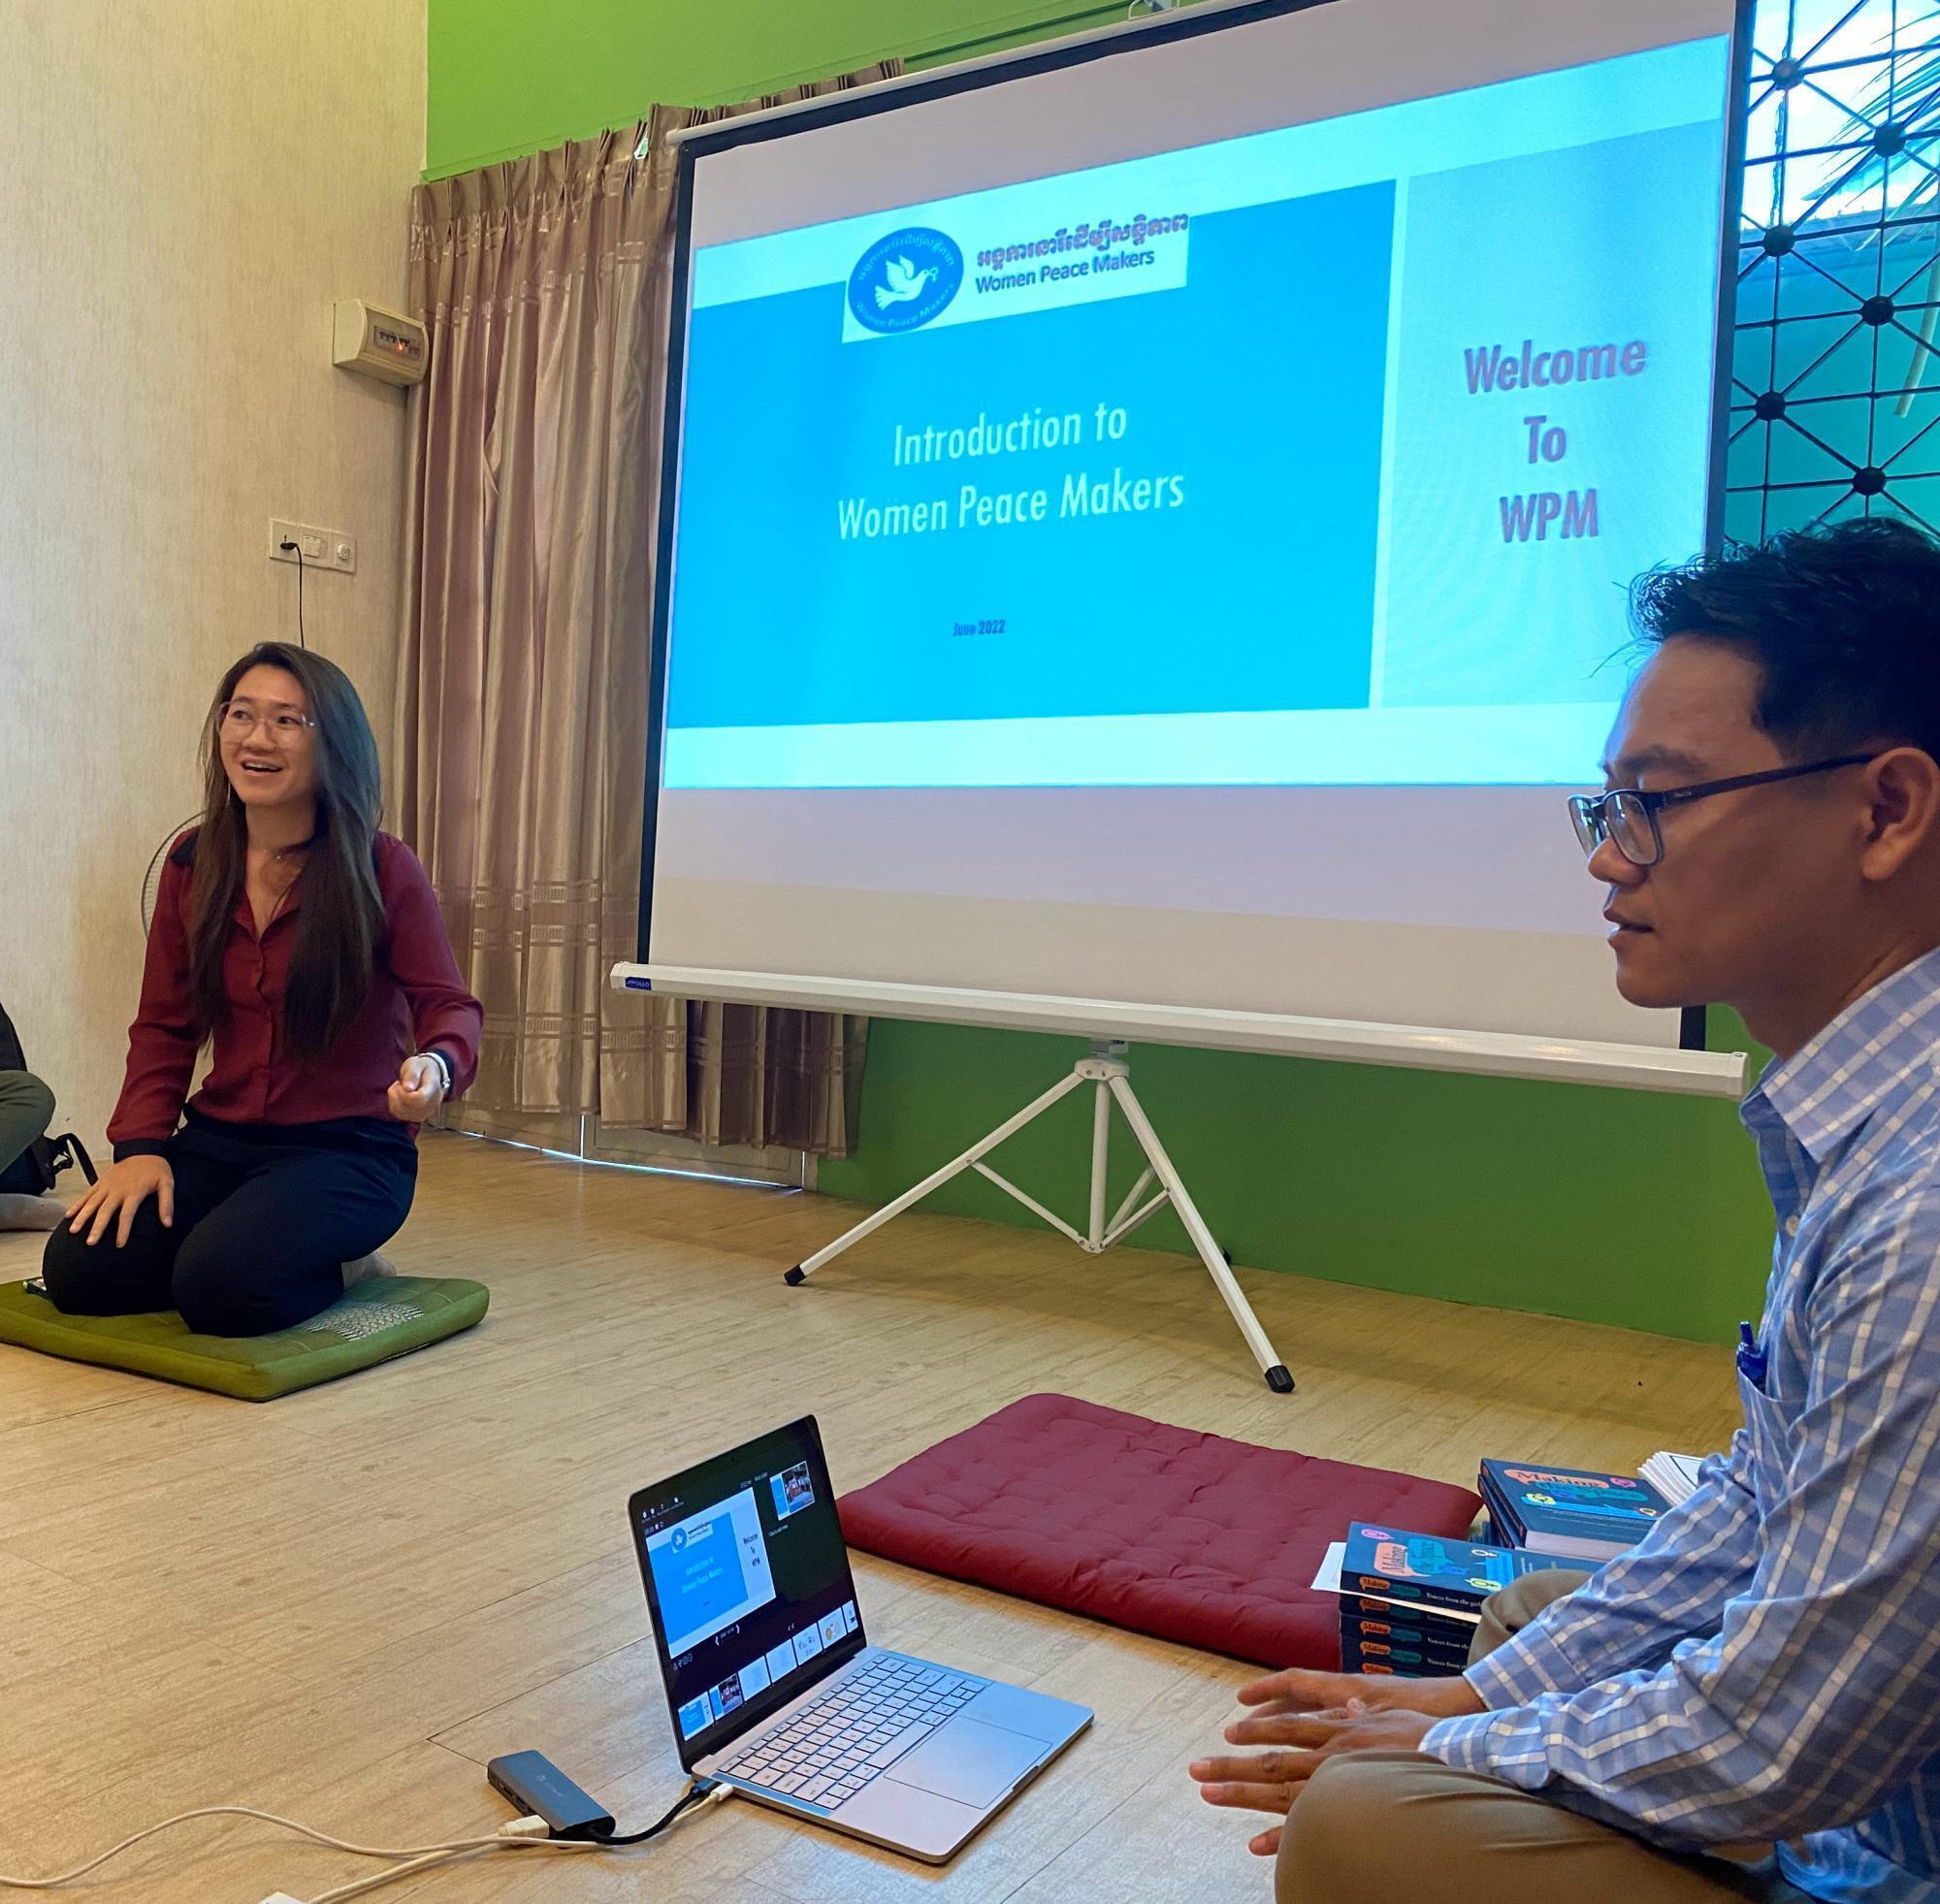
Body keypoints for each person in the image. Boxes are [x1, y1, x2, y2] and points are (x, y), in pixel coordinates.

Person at [1188, 518, 1940, 1904]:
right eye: (1608, 806)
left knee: (1368, 1826)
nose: (1610, 859)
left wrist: (1457, 1740)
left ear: (1886, 810)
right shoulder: (1870, 1106)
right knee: (1525, 1618)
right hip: (1869, 1787)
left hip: (1880, 1840)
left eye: (1660, 799)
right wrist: (1475, 1697)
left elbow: (1780, 1740)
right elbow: (1764, 1501)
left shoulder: (1923, 1207)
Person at [42, 642, 482, 1337]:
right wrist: (142, 1150)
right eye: (240, 714)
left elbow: (450, 1006)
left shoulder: (382, 866)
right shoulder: (193, 864)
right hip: (222, 1141)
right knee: (80, 1272)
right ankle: (241, 1243)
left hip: (351, 1152)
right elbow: (163, 1025)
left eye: (286, 720)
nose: (256, 737)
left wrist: (436, 1066)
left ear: (331, 741)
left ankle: (349, 1264)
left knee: (220, 1289)